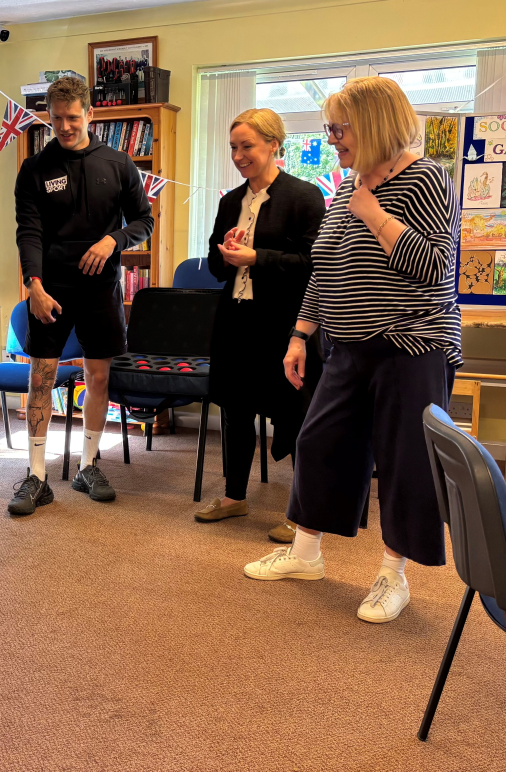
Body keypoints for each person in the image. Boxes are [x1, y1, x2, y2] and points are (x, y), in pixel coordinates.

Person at [243, 77, 462, 624]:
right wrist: (300, 334)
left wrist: (374, 213)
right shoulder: (345, 188)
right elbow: (325, 270)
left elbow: (434, 266)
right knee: (318, 441)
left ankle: (394, 575)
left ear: (374, 124)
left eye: (340, 128)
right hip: (347, 346)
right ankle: (305, 556)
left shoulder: (425, 180)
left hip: (412, 343)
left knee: (403, 463)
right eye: (330, 128)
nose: (333, 138)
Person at [8, 76, 154, 516]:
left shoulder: (119, 163)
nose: (65, 126)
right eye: (56, 119)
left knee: (99, 379)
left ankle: (89, 465)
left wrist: (115, 240)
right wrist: (33, 285)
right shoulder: (34, 169)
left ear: (90, 114)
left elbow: (144, 221)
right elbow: (28, 232)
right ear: (47, 117)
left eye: (73, 117)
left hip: (101, 290)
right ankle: (36, 475)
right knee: (41, 379)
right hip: (48, 291)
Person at [195, 109, 326, 539]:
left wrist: (257, 258)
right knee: (234, 409)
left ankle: (300, 511)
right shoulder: (230, 202)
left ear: (273, 144)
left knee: (293, 415)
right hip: (235, 320)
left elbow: (313, 264)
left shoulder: (304, 197)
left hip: (284, 326)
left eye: (247, 146)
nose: (238, 155)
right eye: (233, 147)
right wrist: (227, 251)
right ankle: (234, 497)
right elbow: (215, 266)